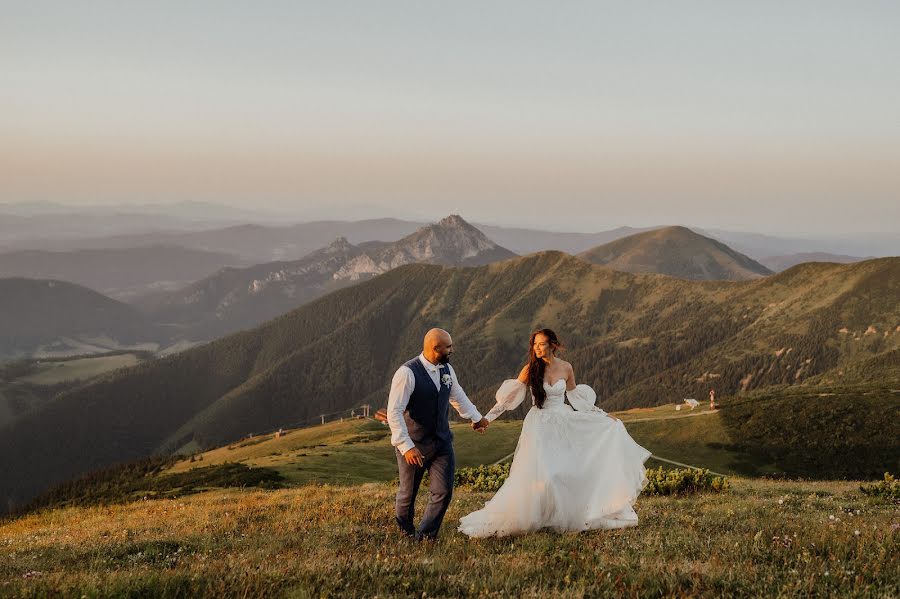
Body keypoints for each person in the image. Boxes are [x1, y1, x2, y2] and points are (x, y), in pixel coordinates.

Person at [458, 328, 652, 538]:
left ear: (552, 345)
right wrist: (486, 418)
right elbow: (506, 401)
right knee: (545, 474)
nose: (537, 348)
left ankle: (560, 516)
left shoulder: (566, 367)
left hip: (562, 422)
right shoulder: (530, 369)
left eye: (541, 344)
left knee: (564, 471)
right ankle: (540, 515)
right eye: (534, 344)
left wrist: (604, 415)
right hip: (539, 425)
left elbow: (575, 398)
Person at [386, 328, 490, 540]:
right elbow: (394, 412)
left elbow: (457, 396)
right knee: (408, 494)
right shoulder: (406, 373)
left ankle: (425, 536)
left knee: (443, 492)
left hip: (442, 442)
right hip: (413, 445)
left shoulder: (447, 370)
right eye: (448, 347)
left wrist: (476, 417)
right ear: (436, 348)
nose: (452, 350)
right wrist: (406, 446)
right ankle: (405, 532)